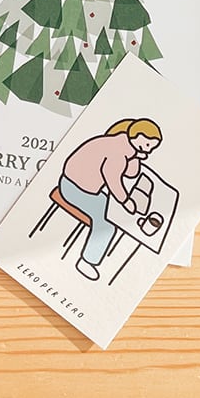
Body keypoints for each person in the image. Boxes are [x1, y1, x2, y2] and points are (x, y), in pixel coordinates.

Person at [60, 117, 162, 280]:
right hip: (74, 188)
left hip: (85, 189)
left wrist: (137, 157)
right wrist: (125, 201)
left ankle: (90, 257)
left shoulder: (123, 145)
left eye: (152, 148)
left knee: (113, 211)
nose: (149, 151)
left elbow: (131, 173)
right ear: (138, 136)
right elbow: (113, 178)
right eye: (148, 145)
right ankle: (87, 261)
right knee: (107, 225)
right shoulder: (118, 151)